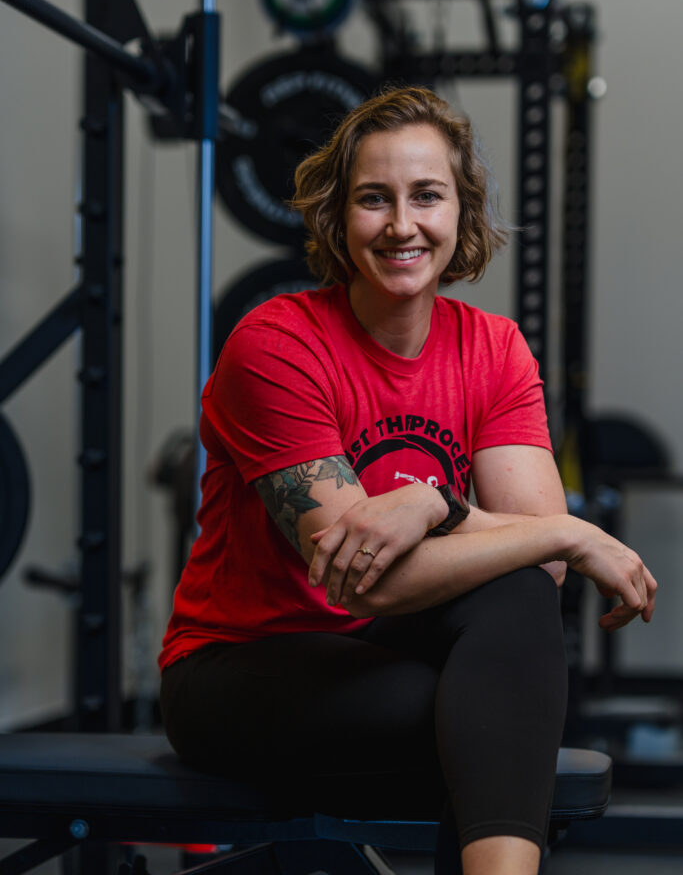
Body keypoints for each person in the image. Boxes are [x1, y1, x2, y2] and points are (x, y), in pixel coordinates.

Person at [159, 86, 657, 875]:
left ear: (461, 211)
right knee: (487, 712)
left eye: (426, 196)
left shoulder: (492, 349)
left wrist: (434, 506)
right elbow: (364, 583)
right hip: (243, 666)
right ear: (336, 216)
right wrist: (569, 527)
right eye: (372, 199)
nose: (400, 225)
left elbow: (542, 566)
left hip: (392, 651)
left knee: (519, 602)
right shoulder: (276, 344)